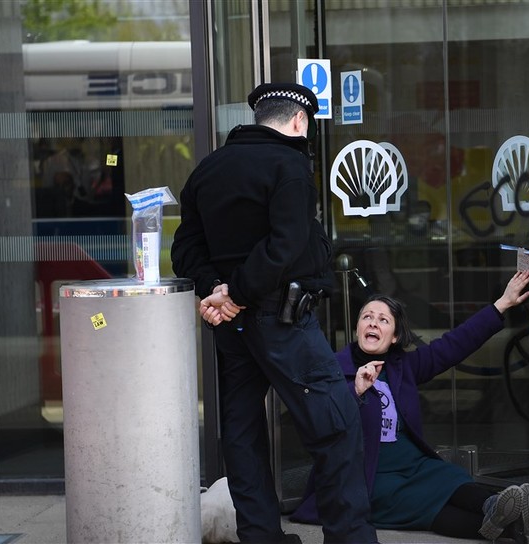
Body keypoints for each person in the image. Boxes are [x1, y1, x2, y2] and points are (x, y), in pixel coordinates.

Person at [171, 82, 378, 544]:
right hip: (281, 320)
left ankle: (261, 537)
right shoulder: (289, 166)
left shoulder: (209, 168)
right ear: (299, 121)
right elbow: (284, 245)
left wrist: (217, 292)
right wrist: (237, 294)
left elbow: (185, 247)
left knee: (242, 435)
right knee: (336, 425)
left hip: (231, 325)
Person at [291, 270, 529, 544]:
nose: (373, 323)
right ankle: (514, 527)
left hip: (413, 464)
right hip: (370, 476)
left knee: (450, 477)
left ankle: (498, 507)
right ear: (357, 328)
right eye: (367, 317)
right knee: (425, 505)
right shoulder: (334, 369)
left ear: (395, 336)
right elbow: (319, 421)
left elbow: (453, 345)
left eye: (383, 320)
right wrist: (356, 391)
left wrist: (502, 304)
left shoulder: (403, 366)